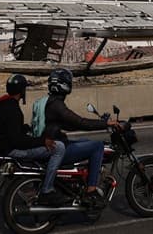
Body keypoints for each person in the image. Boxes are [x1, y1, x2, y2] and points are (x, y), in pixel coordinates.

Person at [44, 68, 120, 208]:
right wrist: (105, 123)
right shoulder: (57, 105)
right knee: (97, 146)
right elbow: (80, 122)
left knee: (86, 142)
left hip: (57, 142)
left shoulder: (53, 102)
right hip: (58, 147)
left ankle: (81, 179)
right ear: (64, 84)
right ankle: (91, 189)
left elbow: (70, 124)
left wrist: (98, 124)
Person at [0, 74, 68, 206]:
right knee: (59, 147)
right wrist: (42, 141)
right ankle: (47, 190)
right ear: (22, 91)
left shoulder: (2, 105)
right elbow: (18, 141)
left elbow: (11, 130)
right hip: (13, 150)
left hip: (5, 147)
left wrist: (25, 128)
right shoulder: (13, 109)